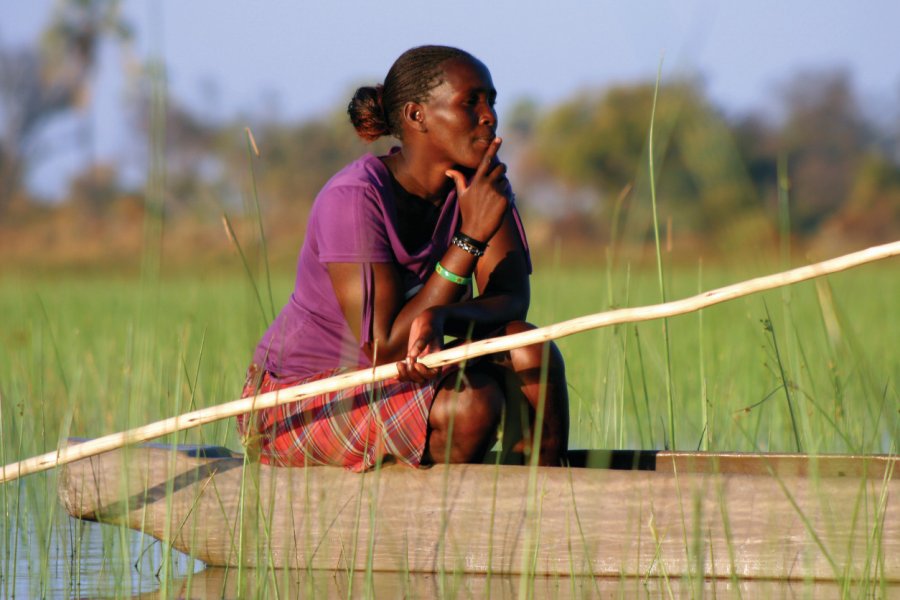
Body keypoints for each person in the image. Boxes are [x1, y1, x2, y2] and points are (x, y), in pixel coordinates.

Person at [238, 45, 568, 471]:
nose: (489, 116)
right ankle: (432, 514)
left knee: (529, 349)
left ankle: (541, 498)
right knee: (472, 404)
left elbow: (510, 300)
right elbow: (386, 348)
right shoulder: (354, 197)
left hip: (401, 380)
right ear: (417, 116)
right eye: (471, 102)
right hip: (300, 401)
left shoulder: (483, 185)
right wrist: (469, 238)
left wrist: (444, 319)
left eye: (491, 101)